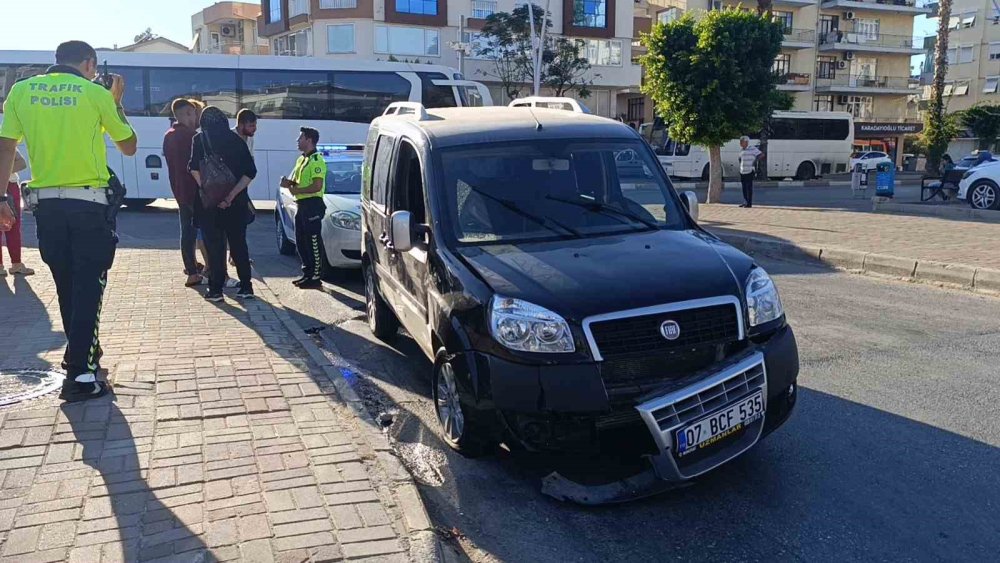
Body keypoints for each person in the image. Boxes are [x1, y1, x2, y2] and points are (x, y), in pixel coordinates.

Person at [0, 40, 137, 402]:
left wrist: (1, 197)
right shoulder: (95, 94)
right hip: (89, 207)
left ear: (56, 61)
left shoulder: (21, 90)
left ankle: (83, 355)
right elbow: (129, 145)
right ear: (90, 63)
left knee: (67, 285)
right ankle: (81, 375)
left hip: (45, 209)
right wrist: (117, 102)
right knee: (89, 287)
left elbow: (5, 146)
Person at [189, 106, 256, 302]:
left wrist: (209, 190)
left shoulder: (199, 140)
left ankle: (216, 290)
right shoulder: (237, 140)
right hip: (235, 205)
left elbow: (193, 168)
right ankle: (246, 287)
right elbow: (250, 172)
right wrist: (231, 196)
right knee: (238, 245)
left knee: (215, 247)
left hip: (209, 204)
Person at [163, 98, 203, 286]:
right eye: (194, 113)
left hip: (179, 190)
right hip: (194, 191)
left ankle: (191, 267)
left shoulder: (169, 135)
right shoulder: (191, 136)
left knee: (186, 231)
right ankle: (195, 271)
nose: (196, 117)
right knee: (196, 232)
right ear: (187, 113)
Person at [281, 127, 327, 290]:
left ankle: (315, 277)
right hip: (301, 204)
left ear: (309, 140)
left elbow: (316, 186)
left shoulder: (317, 160)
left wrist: (296, 190)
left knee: (313, 240)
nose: (297, 140)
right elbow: (299, 182)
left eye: (300, 137)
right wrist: (289, 183)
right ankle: (307, 273)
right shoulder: (301, 160)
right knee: (301, 241)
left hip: (312, 204)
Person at [1, 148, 34, 277]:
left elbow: (22, 163)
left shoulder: (5, 141)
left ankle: (16, 263)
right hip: (9, 184)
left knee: (14, 224)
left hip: (10, 184)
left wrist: (4, 170)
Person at [737, 135, 762, 208]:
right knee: (744, 187)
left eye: (742, 142)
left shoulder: (752, 149)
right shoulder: (741, 150)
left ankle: (749, 203)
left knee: (749, 187)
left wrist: (755, 161)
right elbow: (740, 159)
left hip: (749, 171)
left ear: (746, 142)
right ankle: (745, 201)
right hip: (742, 171)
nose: (741, 143)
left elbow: (761, 155)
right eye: (740, 142)